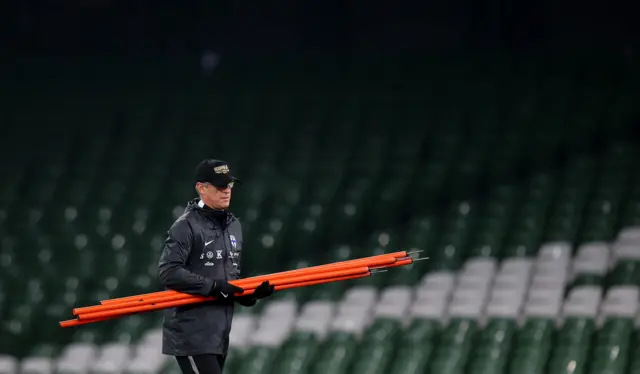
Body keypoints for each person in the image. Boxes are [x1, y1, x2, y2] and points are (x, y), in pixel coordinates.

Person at [158, 159, 275, 374]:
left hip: (218, 330)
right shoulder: (185, 226)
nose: (226, 191)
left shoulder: (234, 225)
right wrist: (213, 286)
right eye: (220, 186)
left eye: (229, 186)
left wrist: (247, 295)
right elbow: (169, 271)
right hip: (190, 330)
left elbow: (228, 278)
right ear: (201, 188)